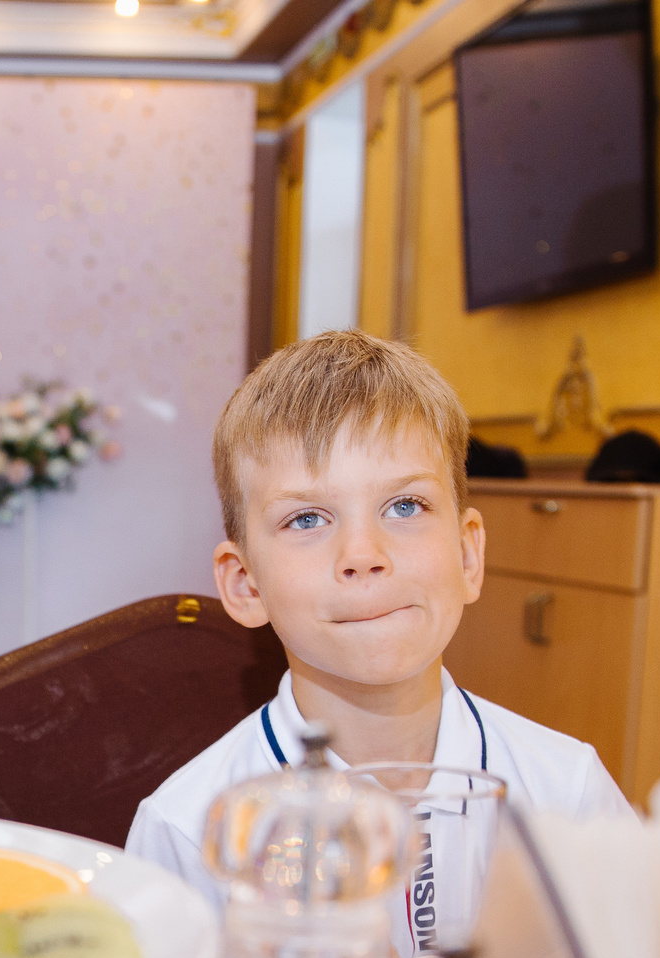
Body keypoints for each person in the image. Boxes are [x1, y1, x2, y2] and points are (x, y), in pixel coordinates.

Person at [126, 329, 631, 911]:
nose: (364, 555)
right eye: (308, 519)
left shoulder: (567, 793)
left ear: (468, 555)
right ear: (245, 584)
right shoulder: (187, 833)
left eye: (404, 506)